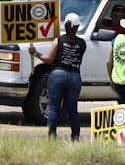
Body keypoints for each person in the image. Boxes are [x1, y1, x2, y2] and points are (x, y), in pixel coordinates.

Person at [28, 13, 86, 141]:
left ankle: (52, 136)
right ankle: (75, 138)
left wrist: (35, 53)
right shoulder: (82, 43)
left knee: (53, 108)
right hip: (75, 77)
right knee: (73, 110)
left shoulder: (58, 40)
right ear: (77, 27)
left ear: (65, 25)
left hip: (58, 76)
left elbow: (49, 60)